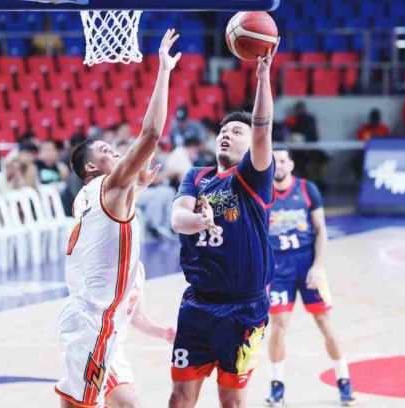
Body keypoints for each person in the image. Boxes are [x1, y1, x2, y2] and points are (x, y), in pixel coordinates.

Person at [55, 29, 180, 408]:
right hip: (93, 321)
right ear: (92, 166)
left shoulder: (86, 199)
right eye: (109, 150)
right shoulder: (107, 188)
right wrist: (164, 71)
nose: (118, 153)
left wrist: (136, 189)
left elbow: (110, 224)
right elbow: (153, 133)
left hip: (94, 319)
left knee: (127, 405)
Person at [168, 39, 279, 408]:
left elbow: (262, 129)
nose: (226, 134)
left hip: (244, 309)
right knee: (180, 398)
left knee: (231, 402)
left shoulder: (252, 178)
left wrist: (262, 79)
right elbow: (176, 218)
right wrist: (199, 219)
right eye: (223, 130)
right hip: (198, 305)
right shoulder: (197, 177)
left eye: (236, 132)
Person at [265, 149, 355, 407]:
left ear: (291, 164)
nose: (278, 165)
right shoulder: (262, 192)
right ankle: (277, 386)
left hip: (307, 264)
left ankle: (344, 380)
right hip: (278, 268)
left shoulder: (307, 189)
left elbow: (321, 231)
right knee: (279, 324)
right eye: (274, 161)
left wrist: (318, 266)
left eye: (282, 160)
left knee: (324, 322)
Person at [97, 261, 177, 408]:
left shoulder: (138, 268)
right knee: (130, 404)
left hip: (116, 353)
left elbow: (137, 316)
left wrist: (163, 333)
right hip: (97, 350)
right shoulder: (103, 266)